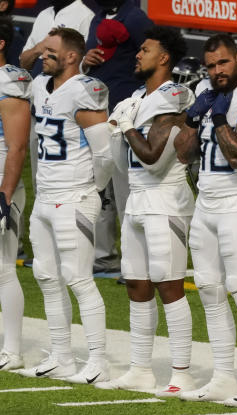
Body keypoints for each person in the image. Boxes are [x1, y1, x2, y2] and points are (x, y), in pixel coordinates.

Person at [173, 35, 237, 407]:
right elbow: (184, 153)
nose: (217, 71)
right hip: (207, 204)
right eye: (211, 66)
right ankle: (223, 376)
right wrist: (191, 116)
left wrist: (216, 114)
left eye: (223, 63)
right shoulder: (207, 94)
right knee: (209, 289)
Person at [95, 26, 196, 397]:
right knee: (137, 284)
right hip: (136, 199)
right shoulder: (135, 99)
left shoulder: (175, 94)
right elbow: (109, 156)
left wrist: (124, 126)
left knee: (169, 285)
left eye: (146, 49)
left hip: (165, 199)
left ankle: (182, 371)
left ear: (164, 57)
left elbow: (153, 157)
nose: (138, 55)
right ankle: (140, 368)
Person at [19, 27, 114, 383]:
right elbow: (25, 66)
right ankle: (61, 356)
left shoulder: (84, 90)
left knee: (78, 278)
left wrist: (94, 187)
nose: (44, 54)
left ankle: (98, 359)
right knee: (46, 275)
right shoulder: (41, 86)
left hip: (74, 196)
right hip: (45, 195)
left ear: (72, 56)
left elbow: (104, 153)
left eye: (51, 50)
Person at [81, 0, 154, 276]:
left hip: (126, 113)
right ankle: (103, 254)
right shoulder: (97, 16)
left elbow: (154, 56)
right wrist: (86, 61)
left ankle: (134, 260)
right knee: (98, 186)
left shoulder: (135, 18)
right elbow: (94, 55)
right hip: (97, 112)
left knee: (125, 189)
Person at [0, 17, 29, 371]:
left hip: (1, 178)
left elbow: (18, 146)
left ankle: (12, 350)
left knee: (4, 268)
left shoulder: (11, 81)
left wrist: (5, 195)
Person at [18, 1, 94, 74]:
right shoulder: (44, 14)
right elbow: (24, 64)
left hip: (66, 85)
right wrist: (39, 48)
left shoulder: (86, 17)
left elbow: (83, 68)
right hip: (36, 83)